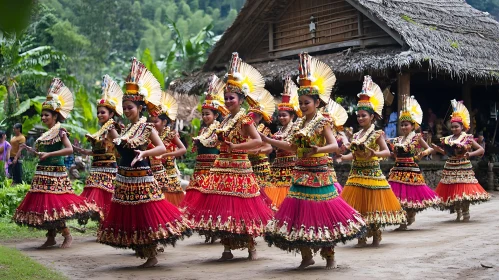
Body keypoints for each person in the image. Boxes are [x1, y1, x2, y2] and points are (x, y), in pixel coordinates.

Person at [263, 53, 366, 270]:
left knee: (322, 215)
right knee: (299, 214)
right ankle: (306, 256)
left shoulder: (322, 121)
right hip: (301, 173)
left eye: (307, 102)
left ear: (317, 102)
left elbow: (334, 146)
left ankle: (329, 257)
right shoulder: (299, 124)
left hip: (319, 174)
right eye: (300, 103)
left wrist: (318, 149)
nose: (303, 106)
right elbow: (292, 147)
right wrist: (268, 140)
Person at [97, 58, 192, 268]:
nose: (127, 110)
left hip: (142, 175)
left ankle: (151, 254)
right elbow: (119, 146)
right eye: (124, 107)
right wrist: (110, 128)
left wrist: (144, 152)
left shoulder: (147, 127)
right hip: (124, 176)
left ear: (140, 107)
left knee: (145, 213)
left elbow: (161, 149)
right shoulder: (126, 129)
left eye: (130, 107)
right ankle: (146, 251)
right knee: (132, 213)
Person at [184, 53, 273, 261]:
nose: (228, 101)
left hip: (240, 168)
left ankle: (251, 246)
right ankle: (227, 248)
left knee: (243, 207)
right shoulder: (224, 121)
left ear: (241, 100)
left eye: (231, 98)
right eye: (226, 98)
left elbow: (258, 141)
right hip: (221, 167)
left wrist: (236, 146)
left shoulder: (244, 118)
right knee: (223, 207)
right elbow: (218, 141)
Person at [13, 78, 92, 248]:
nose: (43, 117)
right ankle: (50, 237)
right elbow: (44, 154)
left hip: (56, 173)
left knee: (54, 204)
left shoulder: (60, 131)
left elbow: (69, 149)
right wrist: (33, 151)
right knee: (44, 206)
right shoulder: (45, 134)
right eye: (42, 115)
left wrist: (49, 154)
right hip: (43, 172)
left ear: (55, 116)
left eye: (46, 115)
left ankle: (67, 235)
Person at [339, 76, 406, 247]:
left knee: (372, 206)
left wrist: (373, 153)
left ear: (372, 117)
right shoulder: (356, 135)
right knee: (358, 207)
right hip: (356, 173)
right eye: (358, 115)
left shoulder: (377, 134)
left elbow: (386, 152)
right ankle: (361, 237)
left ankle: (376, 234)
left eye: (363, 116)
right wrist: (342, 156)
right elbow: (354, 155)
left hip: (372, 174)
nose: (360, 118)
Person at [73, 75, 123, 224]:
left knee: (105, 195)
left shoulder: (111, 128)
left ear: (111, 114)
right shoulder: (101, 129)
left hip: (108, 168)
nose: (100, 115)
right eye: (99, 112)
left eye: (103, 112)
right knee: (95, 192)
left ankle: (108, 223)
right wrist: (84, 152)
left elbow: (119, 145)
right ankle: (104, 223)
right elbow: (98, 151)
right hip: (97, 167)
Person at [387, 96, 440, 230]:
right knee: (396, 195)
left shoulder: (417, 137)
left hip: (410, 169)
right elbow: (394, 154)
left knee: (409, 195)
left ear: (412, 126)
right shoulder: (398, 139)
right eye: (402, 124)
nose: (404, 127)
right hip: (398, 168)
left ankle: (410, 215)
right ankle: (403, 221)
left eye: (406, 125)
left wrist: (422, 154)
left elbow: (430, 148)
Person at [181, 74, 228, 223]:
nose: (205, 117)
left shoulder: (219, 129)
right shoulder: (202, 131)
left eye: (207, 114)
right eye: (203, 114)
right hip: (200, 167)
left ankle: (214, 222)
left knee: (211, 195)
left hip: (213, 167)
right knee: (199, 194)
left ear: (216, 115)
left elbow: (220, 146)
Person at [432, 100, 490, 221]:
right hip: (451, 166)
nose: (454, 129)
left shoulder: (467, 138)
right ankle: (458, 211)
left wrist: (470, 153)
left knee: (464, 189)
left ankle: (466, 211)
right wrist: (439, 150)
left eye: (456, 127)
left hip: (463, 166)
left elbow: (481, 150)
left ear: (462, 127)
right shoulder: (448, 139)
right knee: (453, 189)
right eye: (452, 127)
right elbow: (448, 153)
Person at [265, 76, 300, 209]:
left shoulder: (296, 129)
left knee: (287, 196)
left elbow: (292, 147)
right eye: (280, 115)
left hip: (291, 167)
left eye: (284, 115)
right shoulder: (279, 131)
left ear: (292, 116)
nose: (281, 118)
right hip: (277, 167)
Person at [149, 91, 186, 206]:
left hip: (169, 172)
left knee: (170, 200)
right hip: (154, 171)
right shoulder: (149, 135)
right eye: (151, 122)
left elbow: (183, 149)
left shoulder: (171, 134)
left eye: (156, 121)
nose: (153, 124)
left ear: (164, 122)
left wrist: (165, 155)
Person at [247, 89, 275, 193]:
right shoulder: (244, 130)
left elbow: (269, 148)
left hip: (260, 166)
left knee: (262, 192)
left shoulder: (264, 130)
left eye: (254, 116)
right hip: (247, 165)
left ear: (260, 118)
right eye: (249, 115)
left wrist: (259, 151)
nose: (251, 118)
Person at [322, 99, 349, 194]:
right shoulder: (316, 127)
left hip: (328, 164)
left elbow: (341, 151)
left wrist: (341, 144)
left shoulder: (337, 135)